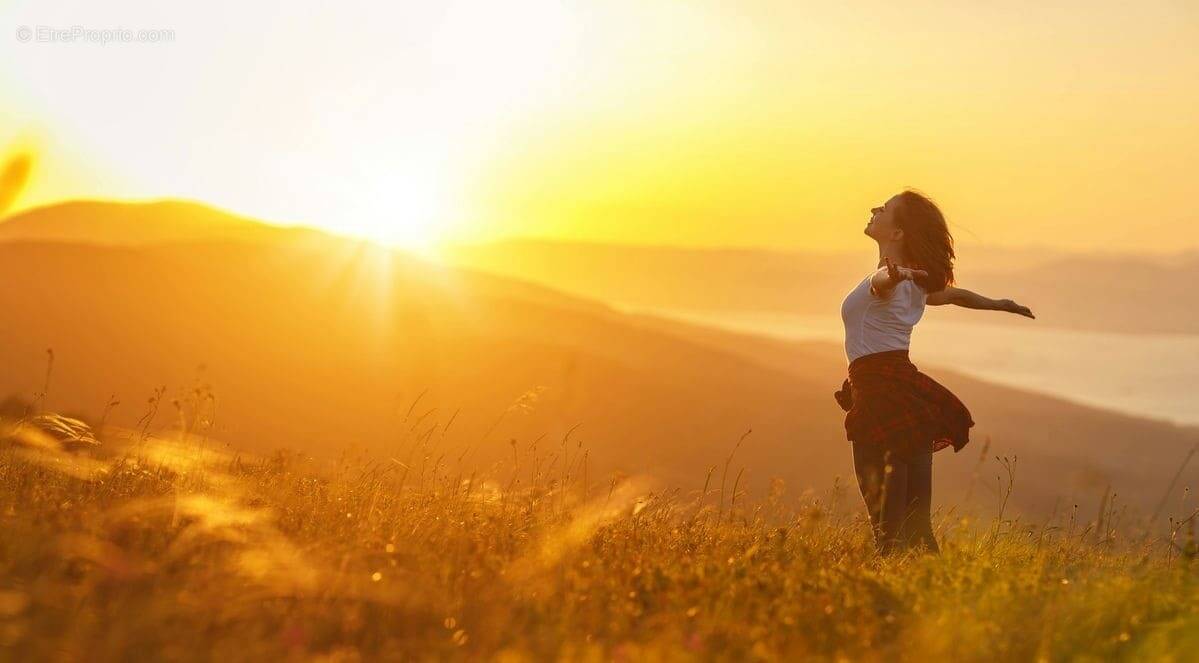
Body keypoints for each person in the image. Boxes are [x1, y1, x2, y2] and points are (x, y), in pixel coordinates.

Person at [835, 189, 1035, 555]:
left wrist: (893, 275)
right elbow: (955, 295)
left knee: (888, 532)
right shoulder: (914, 284)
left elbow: (883, 284)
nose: (875, 209)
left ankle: (895, 604)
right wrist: (999, 304)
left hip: (880, 399)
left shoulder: (890, 280)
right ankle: (937, 593)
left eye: (886, 208)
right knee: (916, 525)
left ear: (897, 233)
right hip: (907, 397)